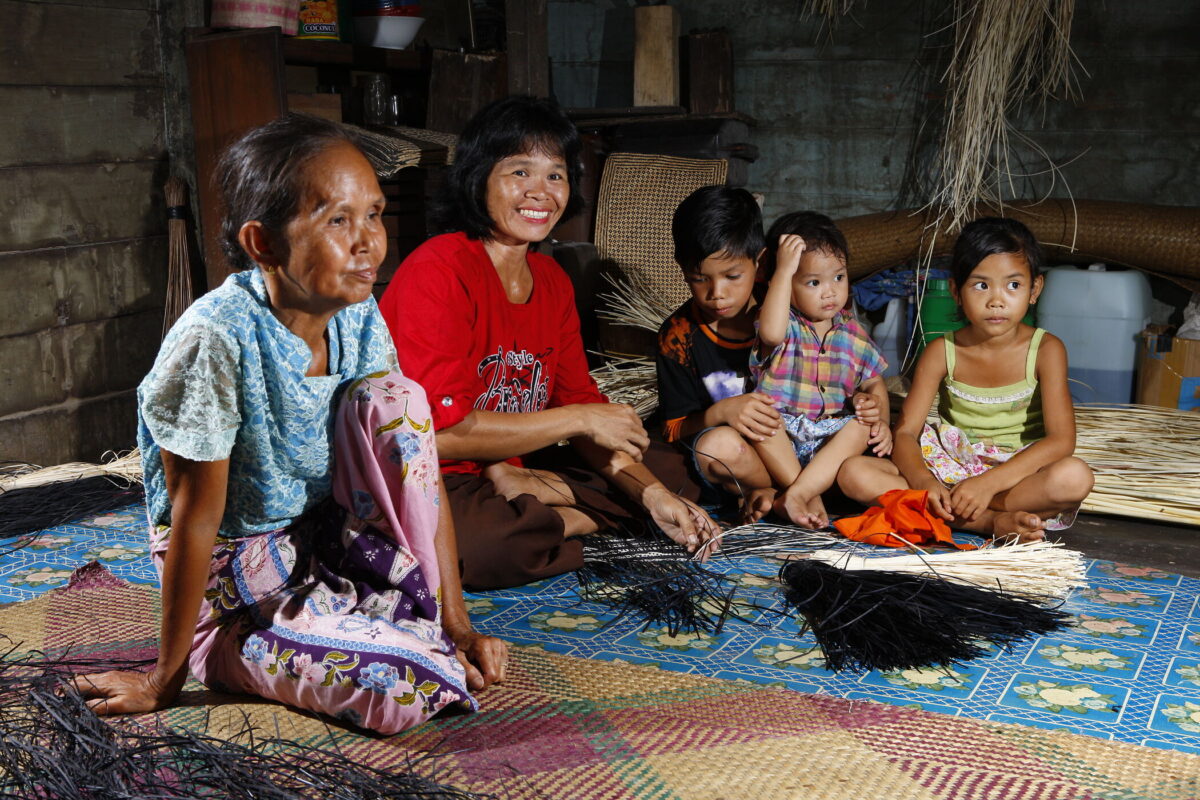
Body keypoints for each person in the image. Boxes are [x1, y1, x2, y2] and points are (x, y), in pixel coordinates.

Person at [73, 114, 507, 735]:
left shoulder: (359, 316)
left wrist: (456, 625)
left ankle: (391, 624)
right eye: (337, 220)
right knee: (405, 685)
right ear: (264, 244)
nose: (368, 242)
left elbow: (419, 469)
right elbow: (194, 517)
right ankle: (218, 651)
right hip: (238, 590)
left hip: (325, 545)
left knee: (401, 403)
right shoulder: (215, 339)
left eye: (375, 214)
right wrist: (160, 681)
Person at [379, 95, 718, 590]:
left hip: (514, 468)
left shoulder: (552, 279)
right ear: (479, 178)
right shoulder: (441, 268)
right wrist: (580, 420)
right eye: (520, 172)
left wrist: (652, 496)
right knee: (485, 544)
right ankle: (572, 517)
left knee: (674, 471)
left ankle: (542, 497)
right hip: (433, 476)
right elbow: (436, 432)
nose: (540, 192)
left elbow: (580, 402)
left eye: (555, 175)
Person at [839, 217, 1094, 542]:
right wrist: (924, 483)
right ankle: (991, 523)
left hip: (1013, 476)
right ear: (956, 292)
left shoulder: (1046, 349)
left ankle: (951, 514)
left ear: (1035, 289)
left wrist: (987, 484)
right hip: (946, 468)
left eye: (1013, 285)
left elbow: (1061, 441)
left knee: (1074, 477)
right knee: (854, 473)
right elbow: (904, 431)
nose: (997, 300)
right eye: (981, 285)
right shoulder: (941, 351)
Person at [750, 211, 891, 528]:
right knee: (759, 417)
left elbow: (874, 381)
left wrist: (877, 413)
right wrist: (784, 270)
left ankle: (797, 493)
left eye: (838, 277)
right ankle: (807, 496)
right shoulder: (784, 323)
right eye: (813, 282)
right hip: (781, 437)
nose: (829, 292)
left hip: (828, 440)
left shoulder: (852, 332)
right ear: (785, 284)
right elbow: (770, 334)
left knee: (860, 427)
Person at [655, 185, 779, 523]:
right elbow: (671, 429)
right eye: (699, 279)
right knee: (718, 446)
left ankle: (788, 491)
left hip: (795, 445)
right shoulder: (678, 336)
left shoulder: (785, 312)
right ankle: (767, 492)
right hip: (736, 463)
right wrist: (721, 412)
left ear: (761, 262)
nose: (717, 294)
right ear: (682, 269)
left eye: (733, 276)